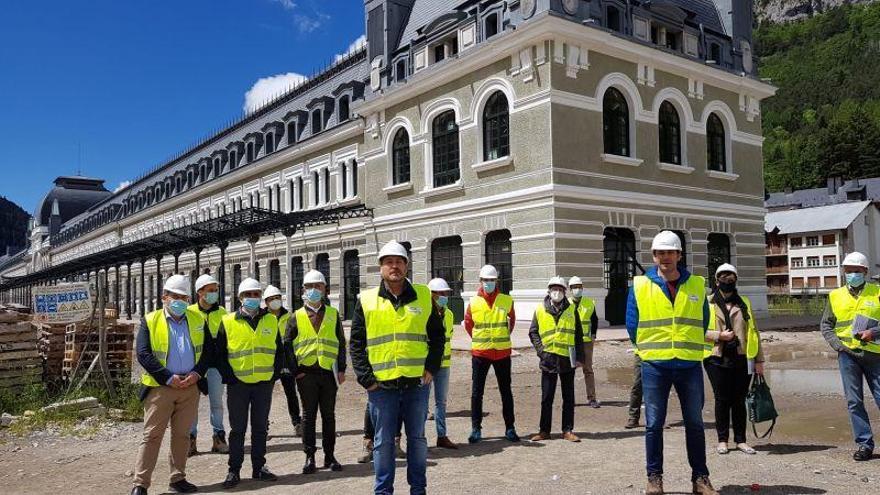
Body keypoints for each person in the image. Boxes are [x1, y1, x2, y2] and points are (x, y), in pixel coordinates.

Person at [350, 241, 445, 495]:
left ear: (407, 266)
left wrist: (432, 367)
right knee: (382, 444)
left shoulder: (424, 295)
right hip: (381, 386)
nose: (395, 266)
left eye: (399, 261)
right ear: (381, 267)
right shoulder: (367, 300)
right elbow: (356, 343)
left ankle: (418, 490)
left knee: (417, 440)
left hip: (416, 384)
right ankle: (383, 492)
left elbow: (437, 335)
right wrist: (365, 378)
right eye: (389, 262)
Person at [626, 230, 717, 495]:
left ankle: (700, 478)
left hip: (688, 364)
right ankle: (654, 478)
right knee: (654, 424)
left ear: (679, 255)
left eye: (670, 252)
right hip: (655, 365)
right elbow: (633, 323)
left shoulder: (697, 284)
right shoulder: (640, 285)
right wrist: (647, 350)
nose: (666, 257)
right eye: (660, 253)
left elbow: (701, 321)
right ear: (654, 256)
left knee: (695, 423)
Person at [131, 274, 210, 495]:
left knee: (182, 435)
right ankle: (140, 483)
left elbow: (208, 351)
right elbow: (143, 354)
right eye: (175, 296)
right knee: (152, 436)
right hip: (161, 388)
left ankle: (178, 478)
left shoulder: (197, 320)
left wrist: (197, 373)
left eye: (184, 297)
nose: (180, 301)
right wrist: (167, 376)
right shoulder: (150, 320)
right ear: (164, 297)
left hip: (189, 386)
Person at [215, 278, 282, 488]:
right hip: (238, 385)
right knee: (238, 430)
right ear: (240, 298)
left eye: (256, 294)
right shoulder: (227, 322)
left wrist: (273, 375)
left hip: (263, 384)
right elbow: (219, 354)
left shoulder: (271, 320)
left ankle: (259, 467)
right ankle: (234, 470)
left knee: (261, 428)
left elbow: (279, 351)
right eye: (248, 295)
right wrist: (230, 377)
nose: (253, 298)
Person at [283, 270, 347, 474]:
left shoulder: (333, 314)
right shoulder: (296, 316)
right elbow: (286, 346)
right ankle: (309, 456)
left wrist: (342, 369)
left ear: (325, 289)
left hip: (328, 373)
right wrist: (295, 371)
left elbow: (340, 343)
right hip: (306, 374)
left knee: (329, 416)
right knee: (308, 417)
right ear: (303, 290)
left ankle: (330, 456)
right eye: (309, 287)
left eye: (318, 286)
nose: (314, 290)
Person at [820, 251, 880, 462]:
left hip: (875, 355)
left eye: (856, 271)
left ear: (865, 271)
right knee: (854, 402)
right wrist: (838, 346)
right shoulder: (835, 295)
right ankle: (865, 444)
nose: (852, 274)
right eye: (848, 271)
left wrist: (874, 333)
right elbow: (826, 325)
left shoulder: (877, 292)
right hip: (847, 355)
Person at [703, 263, 765, 456]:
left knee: (739, 400)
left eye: (730, 276)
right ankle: (722, 440)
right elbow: (696, 330)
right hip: (716, 357)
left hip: (742, 357)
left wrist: (759, 360)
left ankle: (741, 440)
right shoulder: (707, 302)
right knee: (722, 399)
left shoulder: (743, 302)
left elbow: (754, 332)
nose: (726, 279)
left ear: (736, 280)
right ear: (716, 280)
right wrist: (718, 336)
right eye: (722, 276)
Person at [464, 264, 519, 443]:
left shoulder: (506, 300)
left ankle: (510, 428)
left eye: (492, 280)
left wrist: (500, 337)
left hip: (502, 353)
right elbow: (468, 324)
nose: (489, 283)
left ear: (497, 281)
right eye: (486, 280)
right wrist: (482, 339)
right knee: (476, 392)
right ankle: (476, 429)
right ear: (481, 281)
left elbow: (510, 324)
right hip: (481, 353)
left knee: (506, 391)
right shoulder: (473, 302)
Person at [529, 276, 584, 442]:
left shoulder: (572, 309)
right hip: (548, 359)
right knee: (547, 397)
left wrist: (580, 357)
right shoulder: (540, 310)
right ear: (549, 291)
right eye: (554, 289)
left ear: (564, 292)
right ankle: (544, 431)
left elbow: (578, 335)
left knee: (569, 398)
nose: (557, 292)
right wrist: (541, 351)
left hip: (567, 359)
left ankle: (567, 430)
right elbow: (533, 332)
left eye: (560, 290)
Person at [188, 273, 229, 456]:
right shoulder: (190, 313)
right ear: (200, 293)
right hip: (195, 367)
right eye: (210, 290)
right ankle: (190, 440)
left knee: (217, 404)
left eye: (216, 290)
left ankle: (218, 439)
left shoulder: (222, 313)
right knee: (191, 405)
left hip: (216, 366)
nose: (214, 293)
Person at [265, 284, 303, 437]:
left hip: (287, 362)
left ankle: (297, 423)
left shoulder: (290, 317)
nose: (275, 301)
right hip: (269, 362)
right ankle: (264, 426)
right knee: (265, 396)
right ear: (266, 302)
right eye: (272, 299)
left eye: (277, 298)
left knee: (291, 394)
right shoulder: (263, 318)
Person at [428, 277, 458, 449]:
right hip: (427, 366)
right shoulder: (424, 313)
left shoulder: (450, 314)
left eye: (445, 293)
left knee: (441, 402)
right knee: (422, 403)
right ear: (431, 295)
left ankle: (442, 436)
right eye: (440, 293)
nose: (444, 296)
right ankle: (419, 438)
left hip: (444, 365)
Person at [568, 276, 600, 408]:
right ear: (570, 289)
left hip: (586, 341)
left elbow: (595, 320)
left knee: (588, 369)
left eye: (579, 287)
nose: (577, 289)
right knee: (570, 371)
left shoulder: (589, 303)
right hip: (571, 342)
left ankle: (592, 398)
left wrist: (593, 335)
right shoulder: (566, 304)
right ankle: (570, 399)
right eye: (575, 287)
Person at [625, 353, 643, 429]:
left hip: (659, 358)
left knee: (657, 389)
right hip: (642, 355)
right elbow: (633, 340)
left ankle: (658, 419)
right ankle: (633, 418)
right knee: (637, 386)